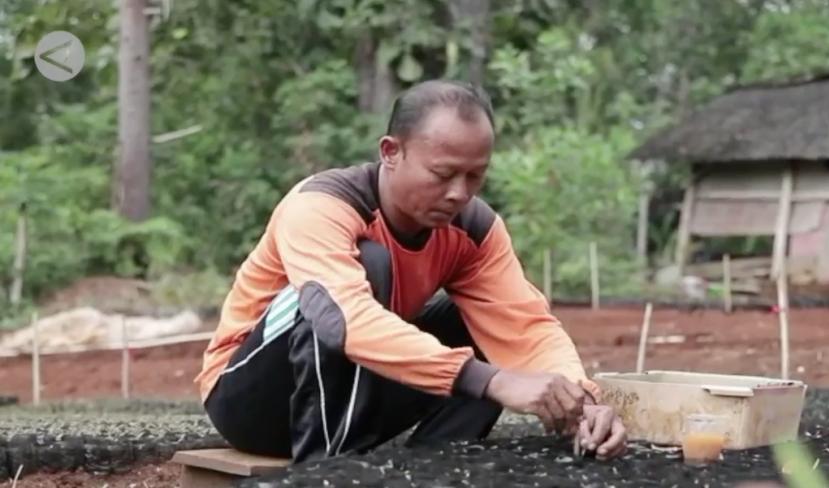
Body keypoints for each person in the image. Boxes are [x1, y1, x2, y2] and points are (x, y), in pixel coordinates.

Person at [196, 79, 627, 463]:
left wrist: (581, 400)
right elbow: (342, 318)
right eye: (442, 174)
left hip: (358, 396)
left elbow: (526, 326)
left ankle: (431, 468)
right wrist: (492, 379)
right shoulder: (321, 206)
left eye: (475, 176)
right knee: (366, 269)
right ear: (391, 152)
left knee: (478, 323)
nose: (459, 193)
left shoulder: (474, 230)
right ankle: (321, 472)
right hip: (252, 402)